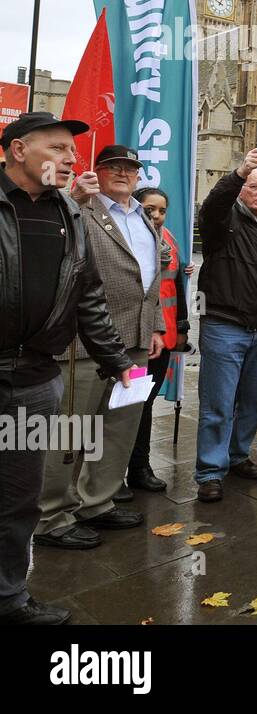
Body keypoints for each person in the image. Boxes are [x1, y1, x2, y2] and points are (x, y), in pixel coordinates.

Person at [0, 113, 134, 626]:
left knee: (18, 501)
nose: (71, 158)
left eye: (72, 150)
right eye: (58, 147)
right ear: (18, 150)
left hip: (33, 381)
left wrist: (119, 364)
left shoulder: (70, 216)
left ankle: (9, 598)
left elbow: (89, 297)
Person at [35, 145, 165, 548]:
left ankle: (98, 502)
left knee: (119, 428)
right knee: (72, 431)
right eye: (113, 167)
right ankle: (52, 515)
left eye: (130, 168)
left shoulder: (144, 217)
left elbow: (150, 281)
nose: (123, 173)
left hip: (137, 343)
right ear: (98, 171)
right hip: (87, 344)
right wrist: (74, 197)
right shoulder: (80, 211)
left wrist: (156, 327)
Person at [194, 148, 257, 502]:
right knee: (218, 404)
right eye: (254, 186)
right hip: (225, 325)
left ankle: (237, 456)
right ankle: (209, 471)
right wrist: (240, 172)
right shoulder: (222, 222)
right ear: (241, 190)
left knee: (253, 401)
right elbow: (211, 206)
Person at [124, 186, 189, 492]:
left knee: (146, 404)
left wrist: (183, 328)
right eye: (150, 209)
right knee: (126, 407)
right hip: (136, 339)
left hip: (164, 339)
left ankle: (139, 467)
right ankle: (112, 477)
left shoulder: (171, 240)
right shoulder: (126, 237)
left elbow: (176, 287)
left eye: (162, 210)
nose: (157, 216)